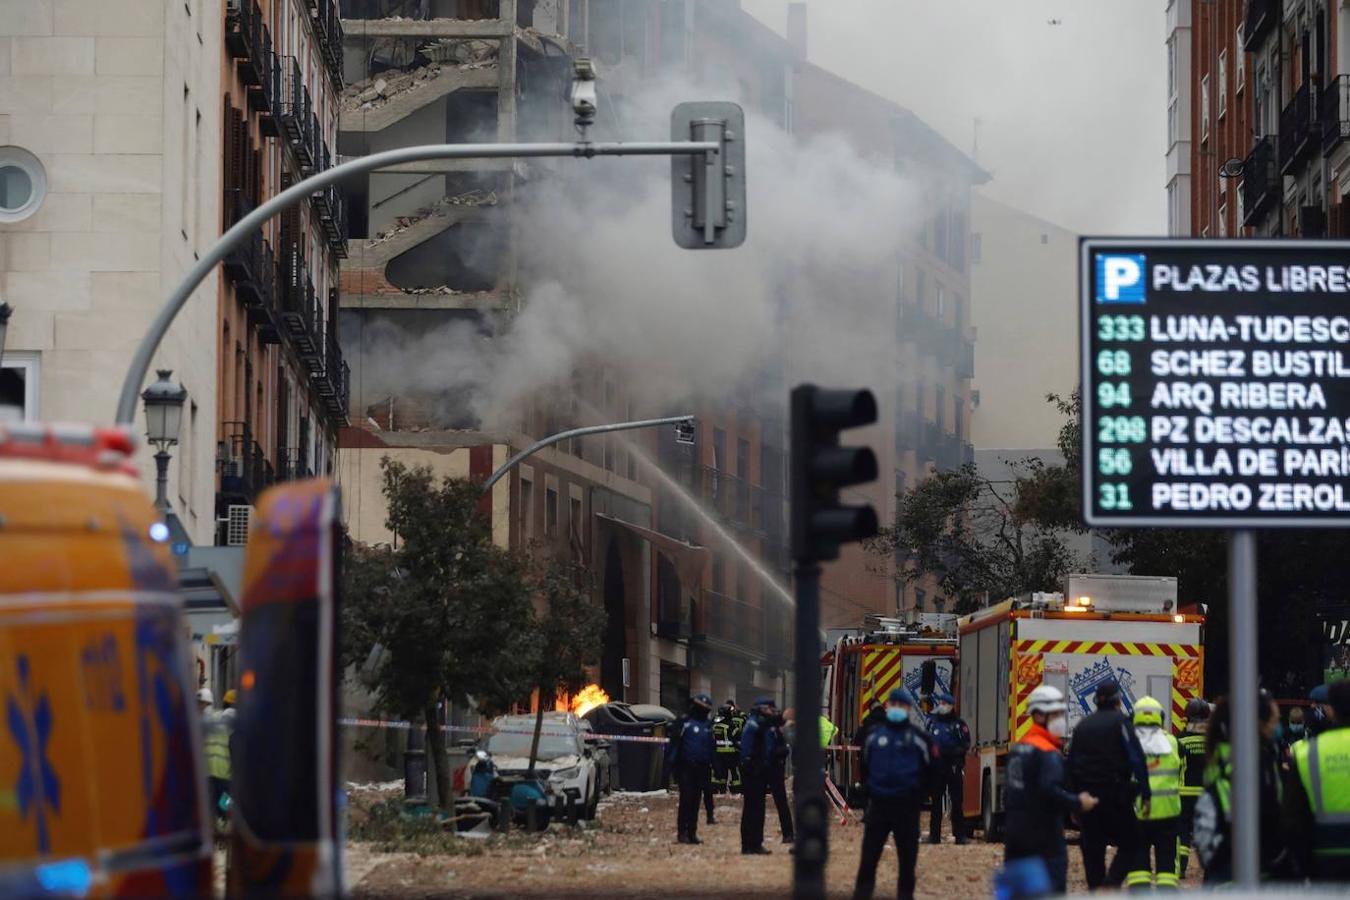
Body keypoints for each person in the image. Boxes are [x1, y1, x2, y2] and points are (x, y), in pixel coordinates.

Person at [1004, 685, 1098, 895]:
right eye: (1055, 714)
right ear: (1038, 715)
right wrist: (1078, 802)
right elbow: (1049, 790)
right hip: (1044, 838)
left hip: (1015, 836)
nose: (1060, 720)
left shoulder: (1018, 749)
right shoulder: (1048, 753)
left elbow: (1009, 794)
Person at [1193, 689, 1289, 884]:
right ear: (1259, 722)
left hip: (1221, 861)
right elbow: (1269, 815)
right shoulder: (1255, 760)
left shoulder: (1222, 752)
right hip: (1246, 866)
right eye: (1274, 719)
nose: (1277, 725)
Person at [851, 687, 938, 900]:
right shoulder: (874, 736)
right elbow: (867, 765)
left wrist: (919, 794)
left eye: (902, 706)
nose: (897, 709)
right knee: (868, 859)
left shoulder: (919, 738)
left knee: (907, 863)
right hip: (879, 806)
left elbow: (932, 769)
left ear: (908, 709)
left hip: (906, 807)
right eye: (894, 705)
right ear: (887, 706)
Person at [1068, 680, 1150, 890]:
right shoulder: (1121, 723)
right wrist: (1145, 793)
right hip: (1115, 796)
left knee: (1092, 849)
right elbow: (1136, 759)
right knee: (1132, 841)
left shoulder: (1081, 727)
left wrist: (1074, 802)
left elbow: (1071, 766)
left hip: (1087, 800)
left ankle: (1096, 889)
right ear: (1118, 700)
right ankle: (1111, 883)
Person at [1284, 678, 1350, 883]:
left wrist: (1302, 869)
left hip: (1324, 859)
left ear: (1333, 710)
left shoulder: (1307, 752)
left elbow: (1293, 818)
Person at [1124, 696, 1183, 892]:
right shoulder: (1173, 743)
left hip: (1137, 814)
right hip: (1168, 813)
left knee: (1138, 867)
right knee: (1167, 869)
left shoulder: (1126, 744)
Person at [666, 692, 716, 845]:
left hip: (702, 768)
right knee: (686, 800)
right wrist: (671, 766)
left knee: (696, 801)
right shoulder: (683, 722)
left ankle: (692, 833)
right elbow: (673, 745)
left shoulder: (708, 726)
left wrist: (715, 764)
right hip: (686, 767)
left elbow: (711, 747)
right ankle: (682, 833)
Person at [925, 690, 971, 845]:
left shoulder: (958, 724)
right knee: (936, 802)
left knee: (957, 802)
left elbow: (965, 744)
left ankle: (960, 835)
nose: (942, 706)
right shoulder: (932, 722)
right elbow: (926, 741)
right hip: (936, 768)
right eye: (941, 703)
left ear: (952, 706)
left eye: (946, 704)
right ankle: (934, 836)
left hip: (953, 766)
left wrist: (951, 753)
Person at [739, 696, 780, 855]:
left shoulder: (764, 726)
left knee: (759, 809)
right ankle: (748, 844)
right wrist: (750, 766)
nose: (772, 712)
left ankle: (756, 843)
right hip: (753, 772)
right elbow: (746, 750)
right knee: (751, 808)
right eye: (770, 709)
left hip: (762, 771)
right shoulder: (753, 725)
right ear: (762, 708)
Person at [1176, 697, 1209, 878]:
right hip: (1207, 795)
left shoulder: (1180, 740)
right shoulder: (1213, 741)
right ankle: (1210, 870)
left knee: (1183, 832)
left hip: (1184, 794)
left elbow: (1176, 767)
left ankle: (1180, 868)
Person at [767, 705, 795, 845]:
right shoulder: (769, 728)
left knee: (782, 803)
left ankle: (788, 834)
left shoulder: (781, 729)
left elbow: (787, 747)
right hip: (767, 768)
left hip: (775, 769)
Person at [712, 701, 742, 798]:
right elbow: (737, 738)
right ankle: (737, 791)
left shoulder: (714, 725)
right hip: (731, 754)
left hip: (717, 754)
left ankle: (720, 791)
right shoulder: (731, 726)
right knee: (735, 774)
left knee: (720, 774)